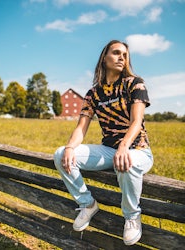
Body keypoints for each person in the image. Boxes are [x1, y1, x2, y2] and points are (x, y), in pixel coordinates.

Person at [54, 40, 153, 246]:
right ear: (104, 58)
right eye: (116, 53)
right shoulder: (93, 94)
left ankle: (132, 216)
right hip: (109, 150)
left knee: (127, 162)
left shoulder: (135, 83)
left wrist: (125, 145)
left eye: (125, 55)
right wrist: (70, 148)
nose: (121, 58)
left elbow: (137, 121)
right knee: (60, 154)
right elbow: (82, 127)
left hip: (138, 150)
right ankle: (87, 204)